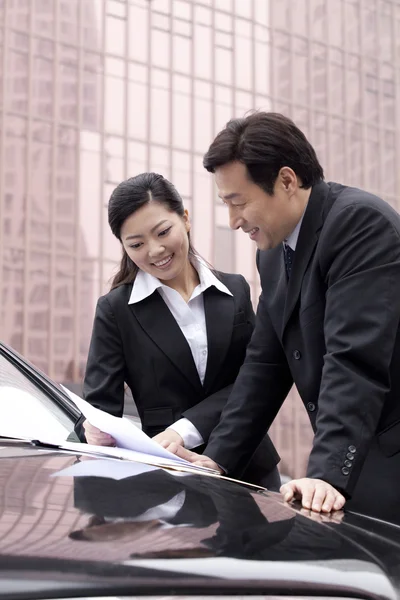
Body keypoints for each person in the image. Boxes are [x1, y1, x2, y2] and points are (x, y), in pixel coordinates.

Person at [161, 112, 400, 524]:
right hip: (356, 462)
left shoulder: (360, 225)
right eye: (226, 204)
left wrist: (325, 474)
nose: (234, 221)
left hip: (386, 455)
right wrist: (217, 459)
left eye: (239, 202)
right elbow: (265, 364)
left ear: (287, 181)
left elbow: (353, 359)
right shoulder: (272, 254)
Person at [77, 172, 280, 488]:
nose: (155, 250)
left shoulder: (235, 290)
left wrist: (184, 429)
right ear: (124, 247)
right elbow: (101, 408)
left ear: (185, 219)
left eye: (162, 232)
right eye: (137, 244)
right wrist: (94, 429)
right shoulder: (116, 310)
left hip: (248, 465)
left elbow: (256, 378)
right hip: (169, 478)